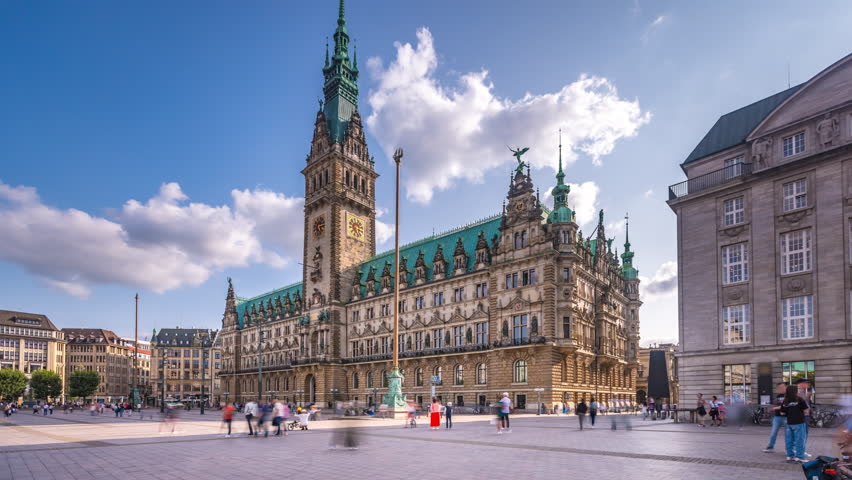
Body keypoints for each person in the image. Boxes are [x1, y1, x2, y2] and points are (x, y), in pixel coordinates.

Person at [780, 384, 809, 463]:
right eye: (797, 389)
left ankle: (789, 456)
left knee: (789, 440)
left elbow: (782, 412)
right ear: (795, 391)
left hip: (789, 422)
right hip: (799, 422)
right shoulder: (800, 399)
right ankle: (800, 457)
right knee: (799, 440)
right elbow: (806, 411)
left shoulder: (785, 400)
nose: (799, 390)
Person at [763, 383, 789, 452]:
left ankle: (788, 449)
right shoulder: (778, 396)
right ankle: (770, 447)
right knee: (773, 433)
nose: (780, 389)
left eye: (782, 387)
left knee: (787, 434)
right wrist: (771, 407)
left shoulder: (789, 395)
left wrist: (775, 408)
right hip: (777, 417)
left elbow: (787, 405)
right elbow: (774, 404)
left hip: (786, 417)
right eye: (779, 387)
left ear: (786, 387)